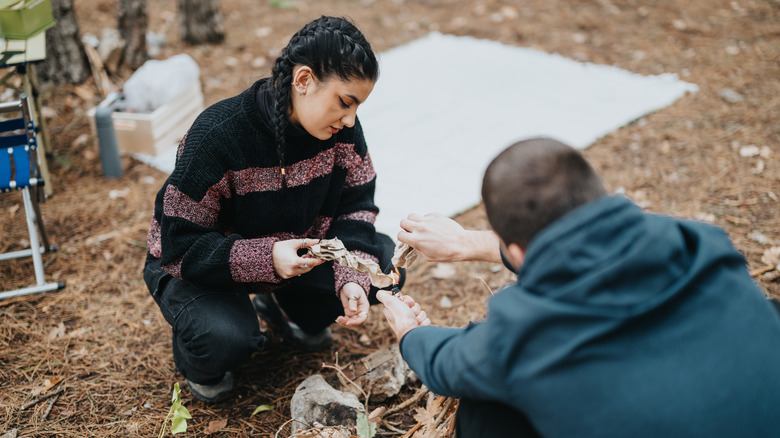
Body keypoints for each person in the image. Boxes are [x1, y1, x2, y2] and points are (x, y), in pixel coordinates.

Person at [378, 137, 780, 437]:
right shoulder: (699, 242)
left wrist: (410, 332)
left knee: (486, 415)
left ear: (516, 252)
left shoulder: (526, 329)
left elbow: (449, 365)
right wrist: (466, 242)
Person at [143, 16, 402, 403]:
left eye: (357, 106)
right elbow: (180, 246)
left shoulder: (343, 131)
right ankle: (201, 355)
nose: (350, 119)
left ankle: (289, 310)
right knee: (226, 338)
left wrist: (350, 277)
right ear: (303, 80)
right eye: (344, 102)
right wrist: (267, 258)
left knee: (381, 270)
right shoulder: (218, 134)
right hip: (203, 267)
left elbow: (357, 207)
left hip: (295, 256)